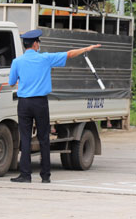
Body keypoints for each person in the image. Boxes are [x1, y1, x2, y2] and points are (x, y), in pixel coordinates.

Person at [8, 29, 100, 183]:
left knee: (25, 138)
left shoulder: (17, 62)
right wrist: (85, 49)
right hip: (40, 103)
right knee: (44, 138)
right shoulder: (45, 58)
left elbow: (11, 82)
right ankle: (45, 176)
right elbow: (69, 54)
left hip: (24, 103)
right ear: (36, 44)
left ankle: (25, 175)